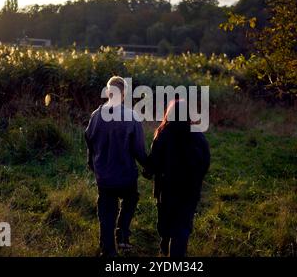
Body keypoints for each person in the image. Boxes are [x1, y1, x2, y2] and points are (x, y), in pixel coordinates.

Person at [85, 76, 147, 257]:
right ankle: (122, 233)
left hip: (104, 176)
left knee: (106, 212)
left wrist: (92, 163)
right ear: (124, 94)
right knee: (131, 198)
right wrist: (149, 167)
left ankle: (108, 250)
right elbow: (139, 150)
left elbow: (89, 140)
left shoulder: (96, 116)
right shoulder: (131, 118)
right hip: (126, 175)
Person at [145, 99, 210, 257]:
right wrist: (197, 179)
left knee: (166, 220)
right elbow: (205, 161)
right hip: (189, 190)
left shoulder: (162, 133)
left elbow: (154, 160)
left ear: (170, 113)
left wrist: (148, 171)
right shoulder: (197, 134)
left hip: (166, 188)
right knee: (182, 225)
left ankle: (165, 246)